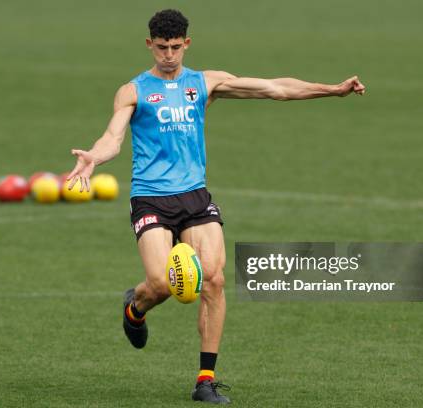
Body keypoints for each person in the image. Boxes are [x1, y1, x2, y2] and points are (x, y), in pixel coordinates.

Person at [66, 9, 366, 404]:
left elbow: (275, 88)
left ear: (187, 44)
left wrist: (332, 89)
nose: (169, 55)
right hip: (151, 198)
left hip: (194, 196)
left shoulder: (206, 83)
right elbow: (113, 137)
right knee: (163, 284)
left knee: (214, 280)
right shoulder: (134, 91)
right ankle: (135, 307)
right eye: (161, 48)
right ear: (149, 45)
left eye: (176, 47)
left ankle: (205, 379)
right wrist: (95, 157)